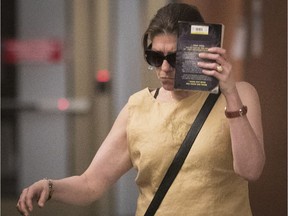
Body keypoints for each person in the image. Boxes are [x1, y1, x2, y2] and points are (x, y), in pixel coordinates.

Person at [16, 3, 265, 216]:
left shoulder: (239, 95)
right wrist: (49, 187)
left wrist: (230, 94)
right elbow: (91, 183)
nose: (164, 69)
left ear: (198, 54)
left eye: (175, 59)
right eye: (155, 58)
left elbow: (250, 170)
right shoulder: (138, 107)